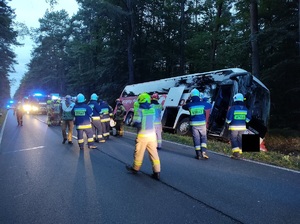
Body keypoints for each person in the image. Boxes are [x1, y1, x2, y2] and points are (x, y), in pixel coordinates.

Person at [126, 93, 161, 180]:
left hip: (142, 136)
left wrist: (133, 124)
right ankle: (157, 172)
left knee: (139, 153)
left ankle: (135, 169)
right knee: (154, 154)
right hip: (152, 136)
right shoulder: (152, 110)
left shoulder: (139, 111)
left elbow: (136, 122)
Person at [182, 89, 212, 160]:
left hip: (194, 125)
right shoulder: (202, 104)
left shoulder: (190, 105)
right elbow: (209, 105)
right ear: (199, 96)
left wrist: (188, 100)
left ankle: (198, 154)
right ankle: (203, 152)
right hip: (202, 124)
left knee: (196, 138)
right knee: (203, 137)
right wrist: (204, 100)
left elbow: (184, 106)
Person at [226, 93, 251, 159]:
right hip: (242, 127)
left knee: (233, 139)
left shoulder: (233, 108)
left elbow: (229, 118)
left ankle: (236, 153)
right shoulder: (246, 108)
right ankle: (239, 152)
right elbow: (248, 119)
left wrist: (228, 122)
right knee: (240, 139)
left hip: (234, 127)